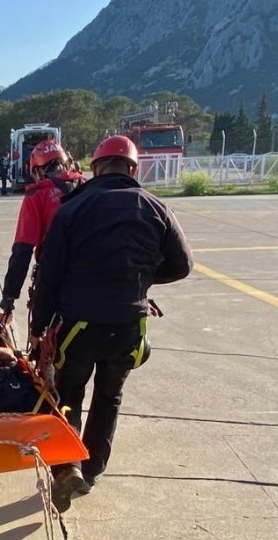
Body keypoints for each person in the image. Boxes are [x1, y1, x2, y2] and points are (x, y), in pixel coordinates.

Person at [29, 135, 193, 513]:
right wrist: (139, 280)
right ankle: (92, 467)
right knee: (110, 396)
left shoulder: (71, 210)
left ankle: (66, 466)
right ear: (133, 169)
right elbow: (181, 266)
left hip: (79, 325)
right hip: (128, 322)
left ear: (95, 168)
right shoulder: (156, 208)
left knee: (68, 395)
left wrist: (38, 328)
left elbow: (50, 276)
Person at [0, 140, 84, 321]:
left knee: (44, 339)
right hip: (96, 280)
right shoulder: (87, 187)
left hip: (56, 284)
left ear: (37, 171)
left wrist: (9, 296)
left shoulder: (38, 195)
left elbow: (22, 251)